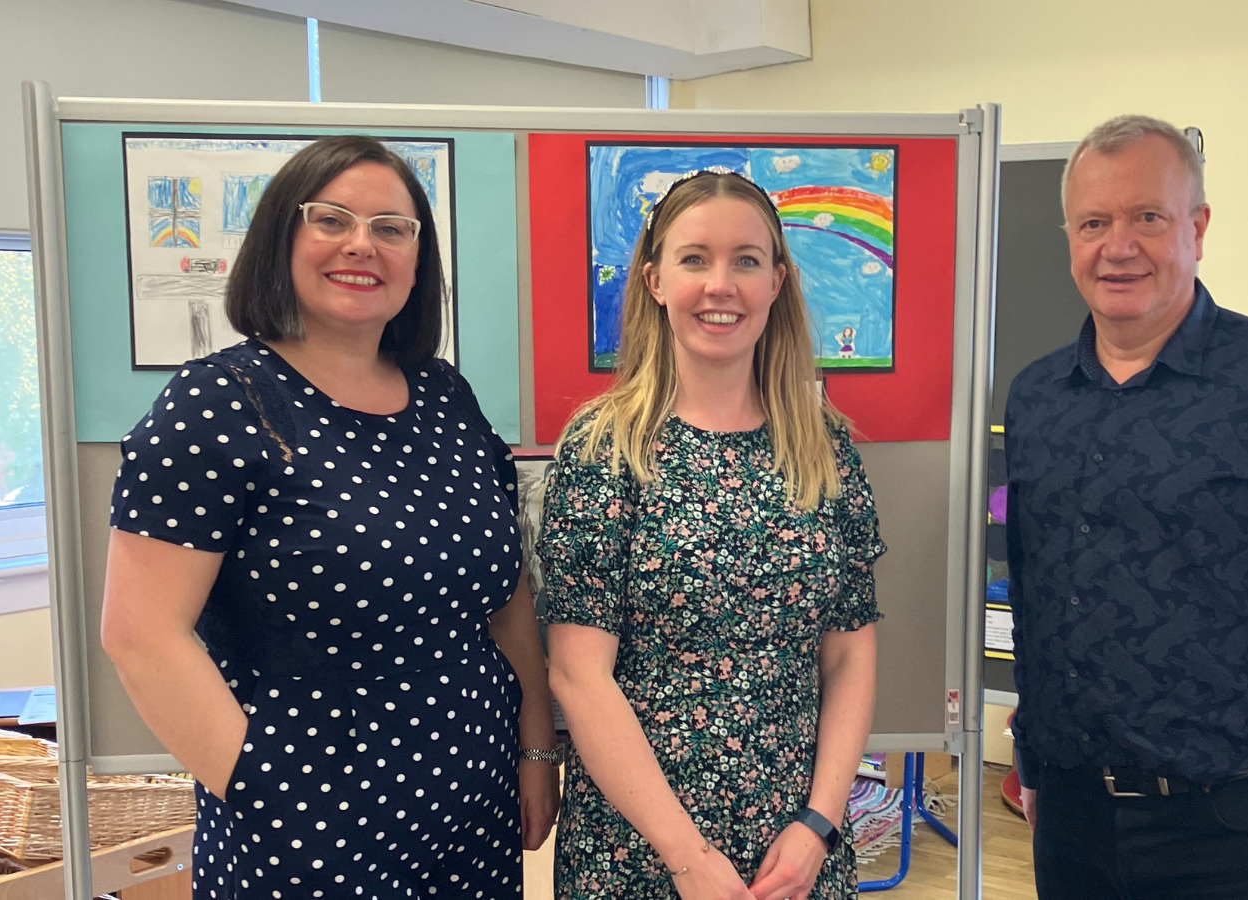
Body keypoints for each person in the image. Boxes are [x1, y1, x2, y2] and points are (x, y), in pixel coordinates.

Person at [101, 135, 559, 899]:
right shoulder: (217, 405)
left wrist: (535, 749)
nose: (362, 244)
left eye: (392, 227)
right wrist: (267, 796)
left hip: (472, 810)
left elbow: (503, 591)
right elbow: (141, 636)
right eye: (331, 219)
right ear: (282, 236)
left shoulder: (447, 399)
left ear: (419, 258)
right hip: (306, 825)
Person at [1005, 115, 1248, 900]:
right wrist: (1033, 763)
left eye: (1146, 218)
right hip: (1073, 816)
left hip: (1238, 829)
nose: (1117, 247)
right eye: (1094, 223)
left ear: (1197, 227)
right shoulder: (1038, 396)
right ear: (1070, 236)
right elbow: (1038, 594)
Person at [541, 169, 884, 900]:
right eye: (695, 258)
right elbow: (578, 674)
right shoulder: (605, 448)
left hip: (794, 847)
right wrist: (687, 858)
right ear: (655, 278)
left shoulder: (823, 447)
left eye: (746, 261)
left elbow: (850, 650)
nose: (720, 284)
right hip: (639, 848)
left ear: (777, 282)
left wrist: (819, 823)